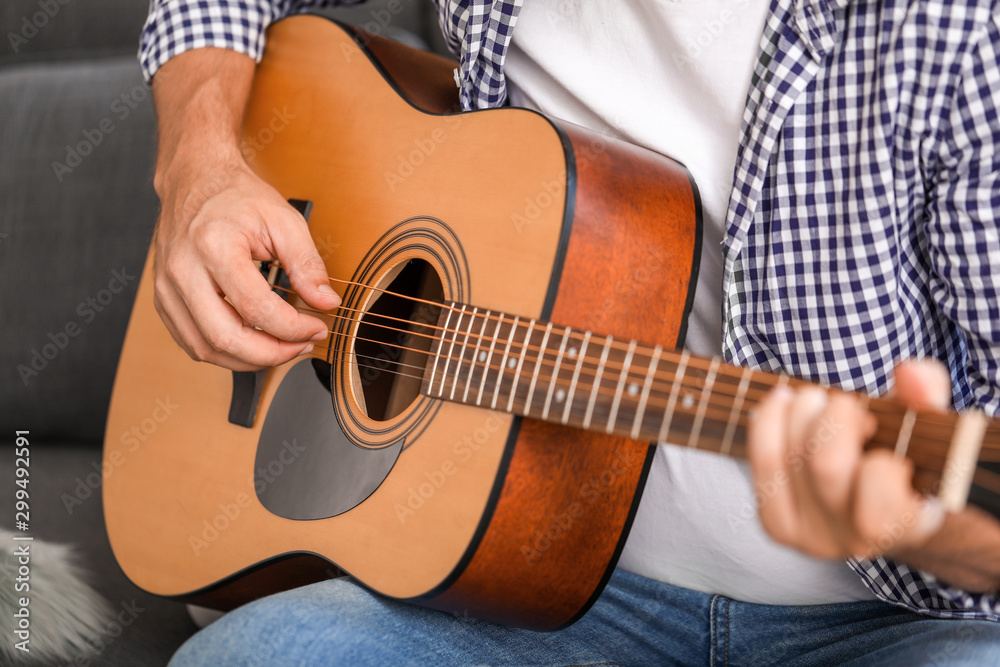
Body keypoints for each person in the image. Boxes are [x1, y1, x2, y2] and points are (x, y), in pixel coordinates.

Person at [140, 0, 1000, 663]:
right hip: (532, 596)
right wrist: (202, 169)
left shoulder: (952, 29)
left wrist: (921, 528)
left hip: (895, 624)